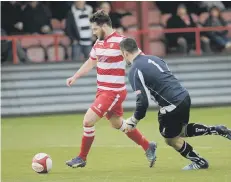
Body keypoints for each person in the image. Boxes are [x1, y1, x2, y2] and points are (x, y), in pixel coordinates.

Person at [119, 38, 231, 170]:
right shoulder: (155, 59)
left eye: (122, 55)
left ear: (125, 53)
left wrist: (133, 121)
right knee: (179, 131)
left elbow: (142, 102)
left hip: (171, 105)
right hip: (184, 96)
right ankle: (217, 129)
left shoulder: (135, 70)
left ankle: (200, 162)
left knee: (170, 138)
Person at [65, 11, 157, 168]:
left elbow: (140, 59)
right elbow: (90, 62)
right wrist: (75, 76)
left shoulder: (122, 42)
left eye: (95, 29)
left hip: (113, 92)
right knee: (117, 124)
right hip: (102, 91)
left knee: (88, 120)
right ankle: (148, 146)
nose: (93, 32)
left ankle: (82, 158)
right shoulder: (98, 44)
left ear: (103, 26)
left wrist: (151, 75)